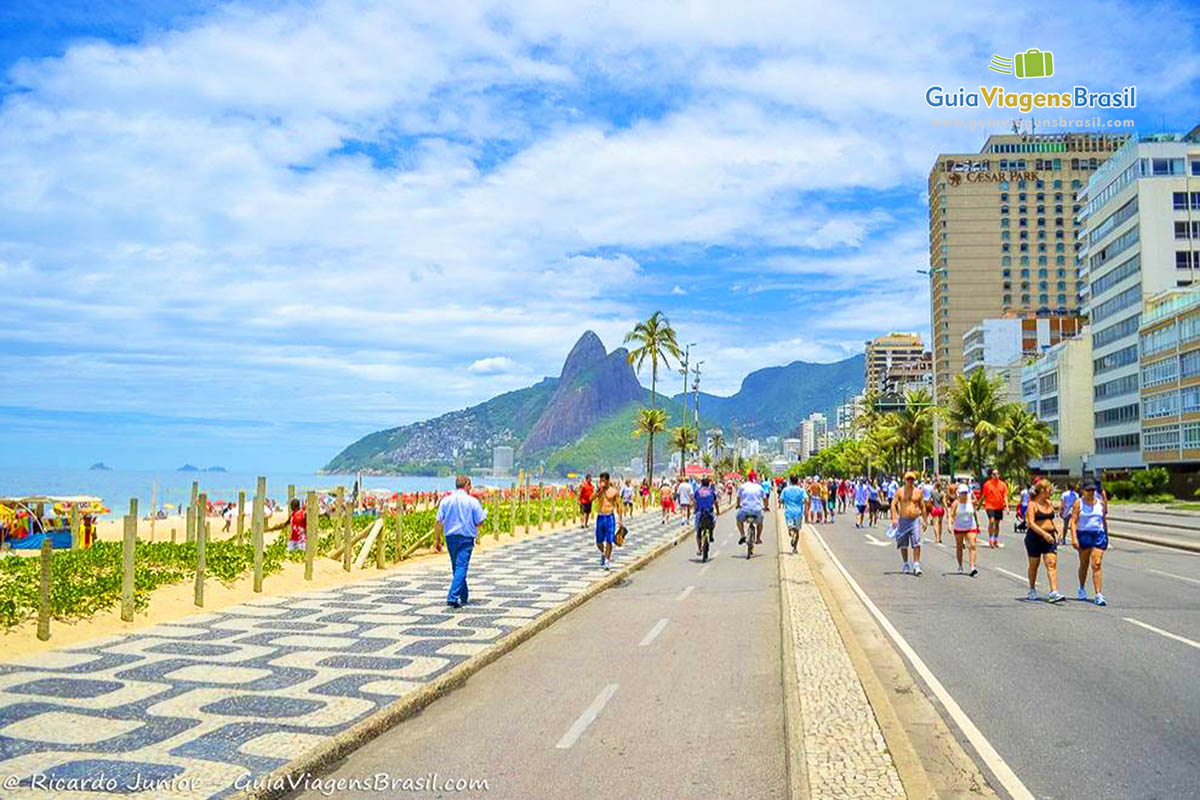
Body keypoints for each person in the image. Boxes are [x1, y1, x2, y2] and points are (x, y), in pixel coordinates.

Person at [435, 475, 487, 607]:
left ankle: (464, 595)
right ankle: (452, 596)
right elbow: (479, 522)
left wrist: (437, 539)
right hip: (466, 537)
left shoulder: (446, 500)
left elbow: (438, 521)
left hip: (450, 537)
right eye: (470, 485)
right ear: (467, 485)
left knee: (457, 567)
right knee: (461, 567)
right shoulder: (472, 502)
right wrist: (483, 515)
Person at [1024, 479, 1065, 602]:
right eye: (1049, 489)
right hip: (1035, 537)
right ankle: (1032, 588)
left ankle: (1054, 591)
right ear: (1042, 491)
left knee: (1051, 563)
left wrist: (1058, 530)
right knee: (1034, 565)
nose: (1051, 492)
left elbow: (1053, 519)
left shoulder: (1049, 503)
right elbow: (1030, 523)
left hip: (1049, 537)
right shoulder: (1032, 505)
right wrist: (1044, 534)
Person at [1070, 479, 1108, 606]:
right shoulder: (1078, 503)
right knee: (1084, 563)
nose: (1091, 492)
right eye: (1088, 490)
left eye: (1093, 490)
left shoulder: (1100, 504)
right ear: (1083, 491)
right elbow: (1073, 522)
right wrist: (1074, 538)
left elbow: (1103, 520)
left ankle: (1098, 594)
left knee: (1096, 564)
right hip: (1084, 534)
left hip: (1098, 534)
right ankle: (1081, 587)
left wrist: (1107, 536)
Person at [890, 471, 926, 576]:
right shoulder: (900, 491)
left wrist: (924, 520)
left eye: (912, 479)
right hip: (903, 520)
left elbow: (922, 506)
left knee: (916, 542)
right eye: (908, 479)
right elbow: (893, 504)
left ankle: (916, 564)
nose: (910, 481)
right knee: (903, 543)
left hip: (914, 520)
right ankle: (905, 563)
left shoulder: (918, 492)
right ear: (905, 480)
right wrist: (894, 518)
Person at [594, 472, 623, 570]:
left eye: (603, 480)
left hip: (609, 517)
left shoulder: (614, 491)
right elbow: (591, 499)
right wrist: (598, 491)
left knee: (609, 540)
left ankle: (607, 560)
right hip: (600, 516)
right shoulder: (599, 491)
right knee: (598, 542)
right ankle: (603, 553)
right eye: (600, 480)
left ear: (607, 480)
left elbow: (619, 505)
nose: (601, 482)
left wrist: (620, 519)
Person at [949, 484, 980, 576]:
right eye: (963, 493)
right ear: (959, 494)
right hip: (959, 527)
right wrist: (950, 525)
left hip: (971, 526)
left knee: (972, 545)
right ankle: (960, 565)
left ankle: (972, 567)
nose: (964, 495)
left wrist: (977, 524)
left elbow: (975, 510)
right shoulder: (956, 503)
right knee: (959, 546)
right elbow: (951, 515)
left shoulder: (971, 502)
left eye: (966, 492)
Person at [736, 471, 766, 546]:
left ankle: (742, 535)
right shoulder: (759, 487)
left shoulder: (743, 486)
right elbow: (765, 499)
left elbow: (738, 497)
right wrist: (765, 507)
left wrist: (738, 505)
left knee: (738, 519)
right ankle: (758, 538)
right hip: (757, 510)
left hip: (744, 510)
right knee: (760, 523)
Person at [981, 468, 1008, 549]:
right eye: (993, 474)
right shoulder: (987, 484)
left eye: (997, 474)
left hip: (999, 506)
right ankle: (991, 539)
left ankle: (995, 539)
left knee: (997, 524)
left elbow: (1005, 496)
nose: (995, 475)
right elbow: (983, 496)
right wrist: (979, 505)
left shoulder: (1003, 485)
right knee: (991, 521)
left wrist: (1007, 506)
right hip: (990, 506)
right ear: (991, 476)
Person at [780, 475, 807, 553]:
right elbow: (806, 499)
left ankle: (792, 534)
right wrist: (802, 502)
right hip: (798, 512)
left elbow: (781, 500)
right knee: (797, 530)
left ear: (790, 481)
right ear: (797, 481)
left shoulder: (785, 490)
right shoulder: (801, 490)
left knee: (790, 528)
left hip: (789, 511)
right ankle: (795, 548)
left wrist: (785, 502)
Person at [694, 476, 720, 555]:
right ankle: (711, 534)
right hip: (709, 512)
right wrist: (718, 511)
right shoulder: (711, 492)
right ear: (709, 484)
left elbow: (695, 502)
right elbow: (716, 503)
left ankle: (699, 549)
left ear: (701, 484)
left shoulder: (697, 492)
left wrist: (695, 510)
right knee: (713, 523)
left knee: (698, 530)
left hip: (700, 512)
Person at [928, 479, 945, 544]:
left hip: (935, 509)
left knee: (935, 524)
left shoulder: (932, 492)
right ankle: (940, 538)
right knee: (940, 524)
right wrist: (946, 509)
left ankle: (936, 538)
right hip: (941, 509)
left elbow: (930, 500)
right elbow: (944, 502)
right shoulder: (942, 493)